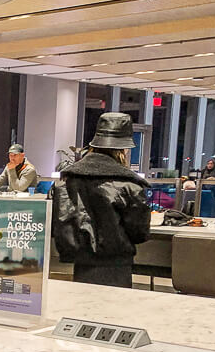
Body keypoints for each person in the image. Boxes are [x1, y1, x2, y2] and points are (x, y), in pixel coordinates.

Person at [51, 112, 150, 289]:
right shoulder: (130, 185)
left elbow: (59, 222)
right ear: (123, 149)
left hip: (81, 263)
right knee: (113, 311)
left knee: (83, 310)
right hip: (117, 265)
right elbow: (140, 233)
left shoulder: (68, 181)